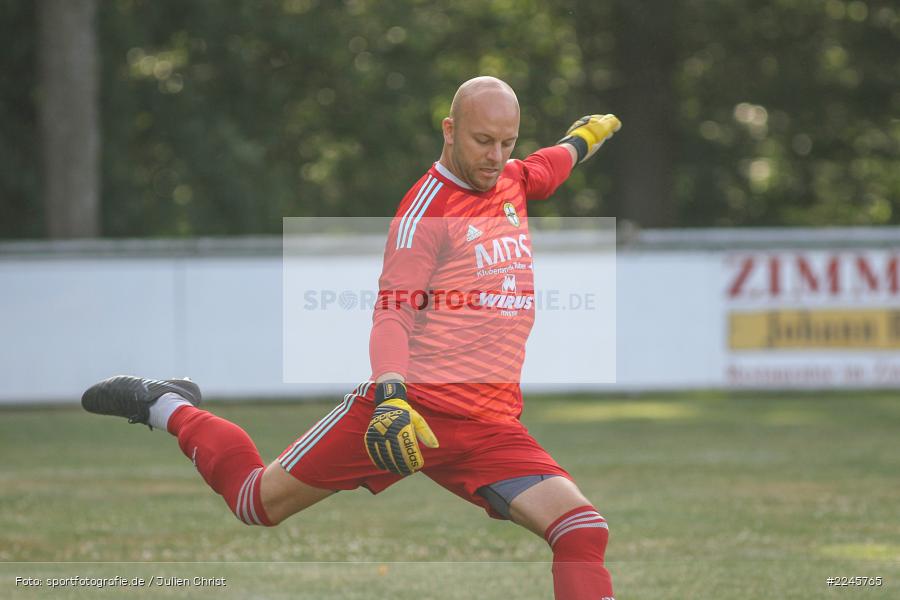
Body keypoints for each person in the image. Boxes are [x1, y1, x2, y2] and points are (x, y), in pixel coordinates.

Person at [82, 76, 621, 600]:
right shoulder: (425, 212)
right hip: (405, 410)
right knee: (255, 502)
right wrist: (390, 397)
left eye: (507, 143)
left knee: (581, 531)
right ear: (449, 130)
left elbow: (548, 169)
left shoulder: (511, 179)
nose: (495, 157)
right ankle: (167, 405)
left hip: (489, 425)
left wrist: (585, 137)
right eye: (483, 141)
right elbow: (392, 313)